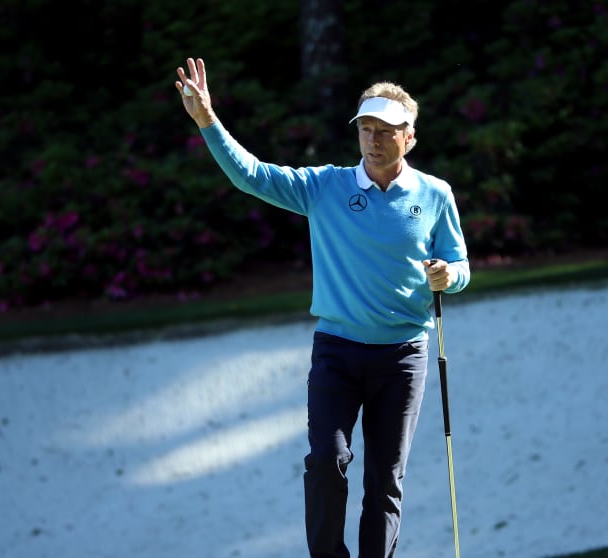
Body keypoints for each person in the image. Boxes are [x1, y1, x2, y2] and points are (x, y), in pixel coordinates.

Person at [175, 57, 470, 558]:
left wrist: (449, 275)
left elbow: (460, 264)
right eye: (366, 129)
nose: (374, 140)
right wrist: (208, 120)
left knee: (384, 478)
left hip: (404, 356)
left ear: (410, 138)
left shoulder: (435, 194)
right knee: (326, 461)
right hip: (337, 351)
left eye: (387, 131)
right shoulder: (324, 187)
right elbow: (251, 175)